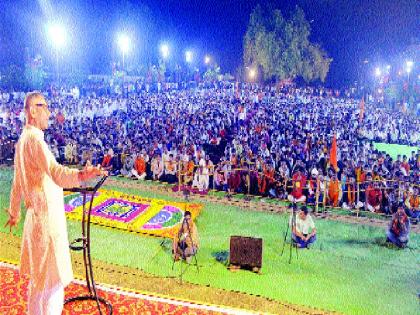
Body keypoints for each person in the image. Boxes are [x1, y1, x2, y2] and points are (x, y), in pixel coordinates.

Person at [5, 92, 105, 315]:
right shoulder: (34, 140)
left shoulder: (23, 140)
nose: (49, 112)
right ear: (32, 111)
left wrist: (14, 212)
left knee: (39, 286)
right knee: (52, 286)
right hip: (46, 222)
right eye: (44, 106)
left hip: (36, 220)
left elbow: (17, 184)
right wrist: (82, 175)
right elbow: (57, 174)